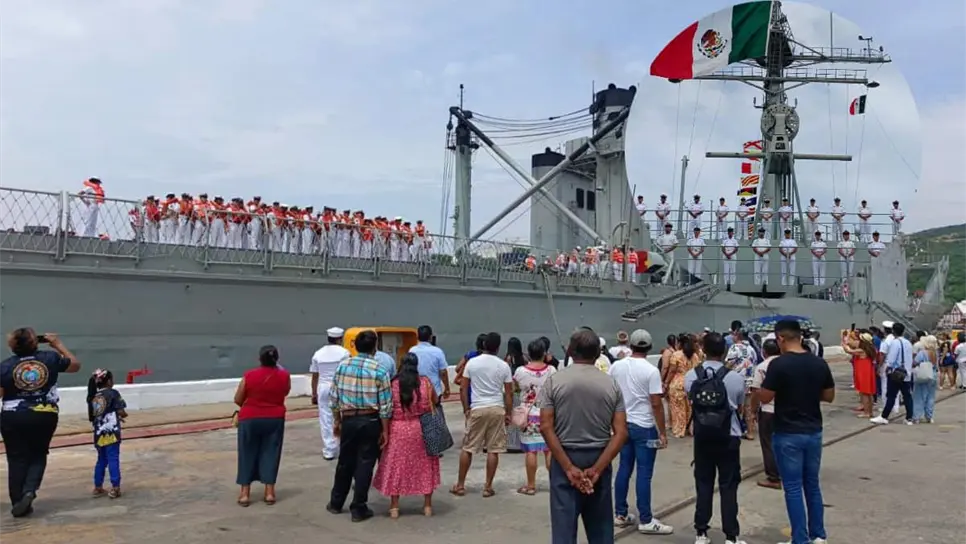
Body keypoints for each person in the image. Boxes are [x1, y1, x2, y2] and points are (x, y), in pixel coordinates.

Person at [540, 329, 627, 544]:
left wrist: (568, 467)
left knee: (563, 530)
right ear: (598, 353)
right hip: (599, 456)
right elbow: (621, 432)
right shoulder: (611, 384)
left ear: (570, 351)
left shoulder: (554, 382)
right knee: (601, 530)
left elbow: (545, 426)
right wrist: (597, 469)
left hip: (564, 457)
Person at [758, 319, 833, 544]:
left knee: (792, 488)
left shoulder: (779, 365)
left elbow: (766, 397)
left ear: (780, 338)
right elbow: (829, 396)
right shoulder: (819, 363)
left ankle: (800, 538)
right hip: (813, 431)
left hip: (788, 431)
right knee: (812, 484)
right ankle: (818, 535)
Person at [0, 329, 81, 517]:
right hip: (44, 414)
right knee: (38, 453)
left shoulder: (4, 366)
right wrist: (57, 344)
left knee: (16, 458)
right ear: (35, 342)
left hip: (13, 415)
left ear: (12, 346)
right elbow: (75, 366)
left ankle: (18, 502)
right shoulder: (50, 358)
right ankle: (29, 490)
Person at [684, 332, 748, 544]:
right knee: (728, 486)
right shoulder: (735, 378)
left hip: (702, 437)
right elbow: (739, 406)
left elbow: (691, 400)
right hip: (728, 437)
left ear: (703, 349)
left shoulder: (691, 376)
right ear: (724, 352)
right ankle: (731, 536)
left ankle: (701, 533)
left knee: (703, 484)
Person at [608, 329, 672, 534]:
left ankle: (620, 513)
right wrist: (662, 432)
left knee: (624, 468)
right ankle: (646, 519)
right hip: (644, 427)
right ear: (649, 347)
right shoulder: (651, 371)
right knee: (644, 474)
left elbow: (610, 393)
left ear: (631, 345)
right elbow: (656, 404)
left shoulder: (617, 366)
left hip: (622, 425)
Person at [326, 330, 393, 522]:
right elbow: (385, 405)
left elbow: (334, 398)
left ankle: (336, 502)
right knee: (365, 463)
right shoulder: (380, 370)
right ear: (375, 347)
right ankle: (358, 507)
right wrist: (385, 431)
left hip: (348, 419)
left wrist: (337, 420)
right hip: (370, 420)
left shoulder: (342, 366)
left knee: (345, 462)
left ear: (354, 346)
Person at [373, 353, 441, 518]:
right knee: (425, 465)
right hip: (420, 428)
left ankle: (394, 506)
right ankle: (427, 506)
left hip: (398, 429)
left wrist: (384, 432)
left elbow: (386, 408)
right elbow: (435, 401)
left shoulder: (393, 384)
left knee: (397, 466)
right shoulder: (425, 382)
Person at [452, 332, 512, 498]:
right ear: (498, 347)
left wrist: (466, 409)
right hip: (497, 408)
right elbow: (509, 393)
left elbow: (463, 388)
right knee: (493, 449)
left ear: (484, 345)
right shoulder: (503, 366)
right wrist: (508, 412)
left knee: (468, 447)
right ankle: (488, 486)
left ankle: (461, 484)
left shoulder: (472, 363)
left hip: (477, 407)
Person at [234, 345, 291, 506]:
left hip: (250, 418)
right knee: (271, 452)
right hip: (275, 418)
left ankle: (245, 494)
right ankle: (270, 492)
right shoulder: (284, 376)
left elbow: (238, 399)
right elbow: (285, 392)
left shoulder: (249, 375)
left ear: (259, 359)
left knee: (247, 453)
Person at [512, 339, 556, 495]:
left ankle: (531, 485)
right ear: (544, 353)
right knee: (549, 450)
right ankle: (555, 484)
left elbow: (515, 388)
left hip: (529, 415)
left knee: (531, 451)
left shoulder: (520, 371)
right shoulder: (551, 370)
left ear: (528, 354)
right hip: (548, 414)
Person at [310, 327, 351, 460]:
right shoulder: (344, 353)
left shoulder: (318, 353)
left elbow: (315, 375)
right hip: (340, 386)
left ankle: (329, 449)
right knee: (343, 416)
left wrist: (314, 393)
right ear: (340, 339)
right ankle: (341, 445)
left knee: (325, 417)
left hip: (323, 386)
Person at [87, 369, 128, 499]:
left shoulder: (94, 396)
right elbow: (120, 410)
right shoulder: (113, 393)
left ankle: (98, 487)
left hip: (99, 432)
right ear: (109, 381)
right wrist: (123, 415)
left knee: (101, 459)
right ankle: (115, 487)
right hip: (111, 432)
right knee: (113, 458)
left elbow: (98, 415)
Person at [750, 339, 782, 489]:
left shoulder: (762, 367)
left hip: (768, 409)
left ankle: (773, 477)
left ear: (764, 352)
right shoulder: (787, 364)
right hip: (787, 410)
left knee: (768, 444)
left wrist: (753, 410)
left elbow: (756, 391)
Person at [871, 322, 914, 425]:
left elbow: (891, 359)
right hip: (906, 373)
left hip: (896, 373)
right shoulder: (908, 342)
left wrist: (886, 369)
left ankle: (884, 416)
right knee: (907, 396)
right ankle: (909, 418)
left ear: (893, 331)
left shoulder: (895, 342)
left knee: (891, 395)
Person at [663, 333, 700, 438]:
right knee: (689, 408)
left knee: (677, 409)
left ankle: (679, 430)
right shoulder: (695, 355)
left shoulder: (676, 355)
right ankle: (690, 428)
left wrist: (666, 383)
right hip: (691, 383)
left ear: (679, 343)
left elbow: (672, 371)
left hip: (677, 383)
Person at [409, 325, 451, 400]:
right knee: (436, 409)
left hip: (417, 390)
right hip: (434, 390)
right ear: (431, 337)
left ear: (417, 337)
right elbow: (443, 372)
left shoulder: (412, 350)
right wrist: (447, 388)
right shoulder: (438, 351)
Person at [842, 333, 877, 418]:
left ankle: (867, 412)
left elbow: (848, 351)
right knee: (869, 393)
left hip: (863, 372)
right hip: (868, 371)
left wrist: (844, 343)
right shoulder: (871, 349)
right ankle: (870, 411)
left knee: (865, 392)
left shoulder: (862, 350)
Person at [911, 335, 939, 424]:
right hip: (933, 375)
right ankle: (929, 416)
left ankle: (916, 417)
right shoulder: (935, 353)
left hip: (923, 375)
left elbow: (915, 362)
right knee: (930, 397)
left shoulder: (922, 353)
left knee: (919, 396)